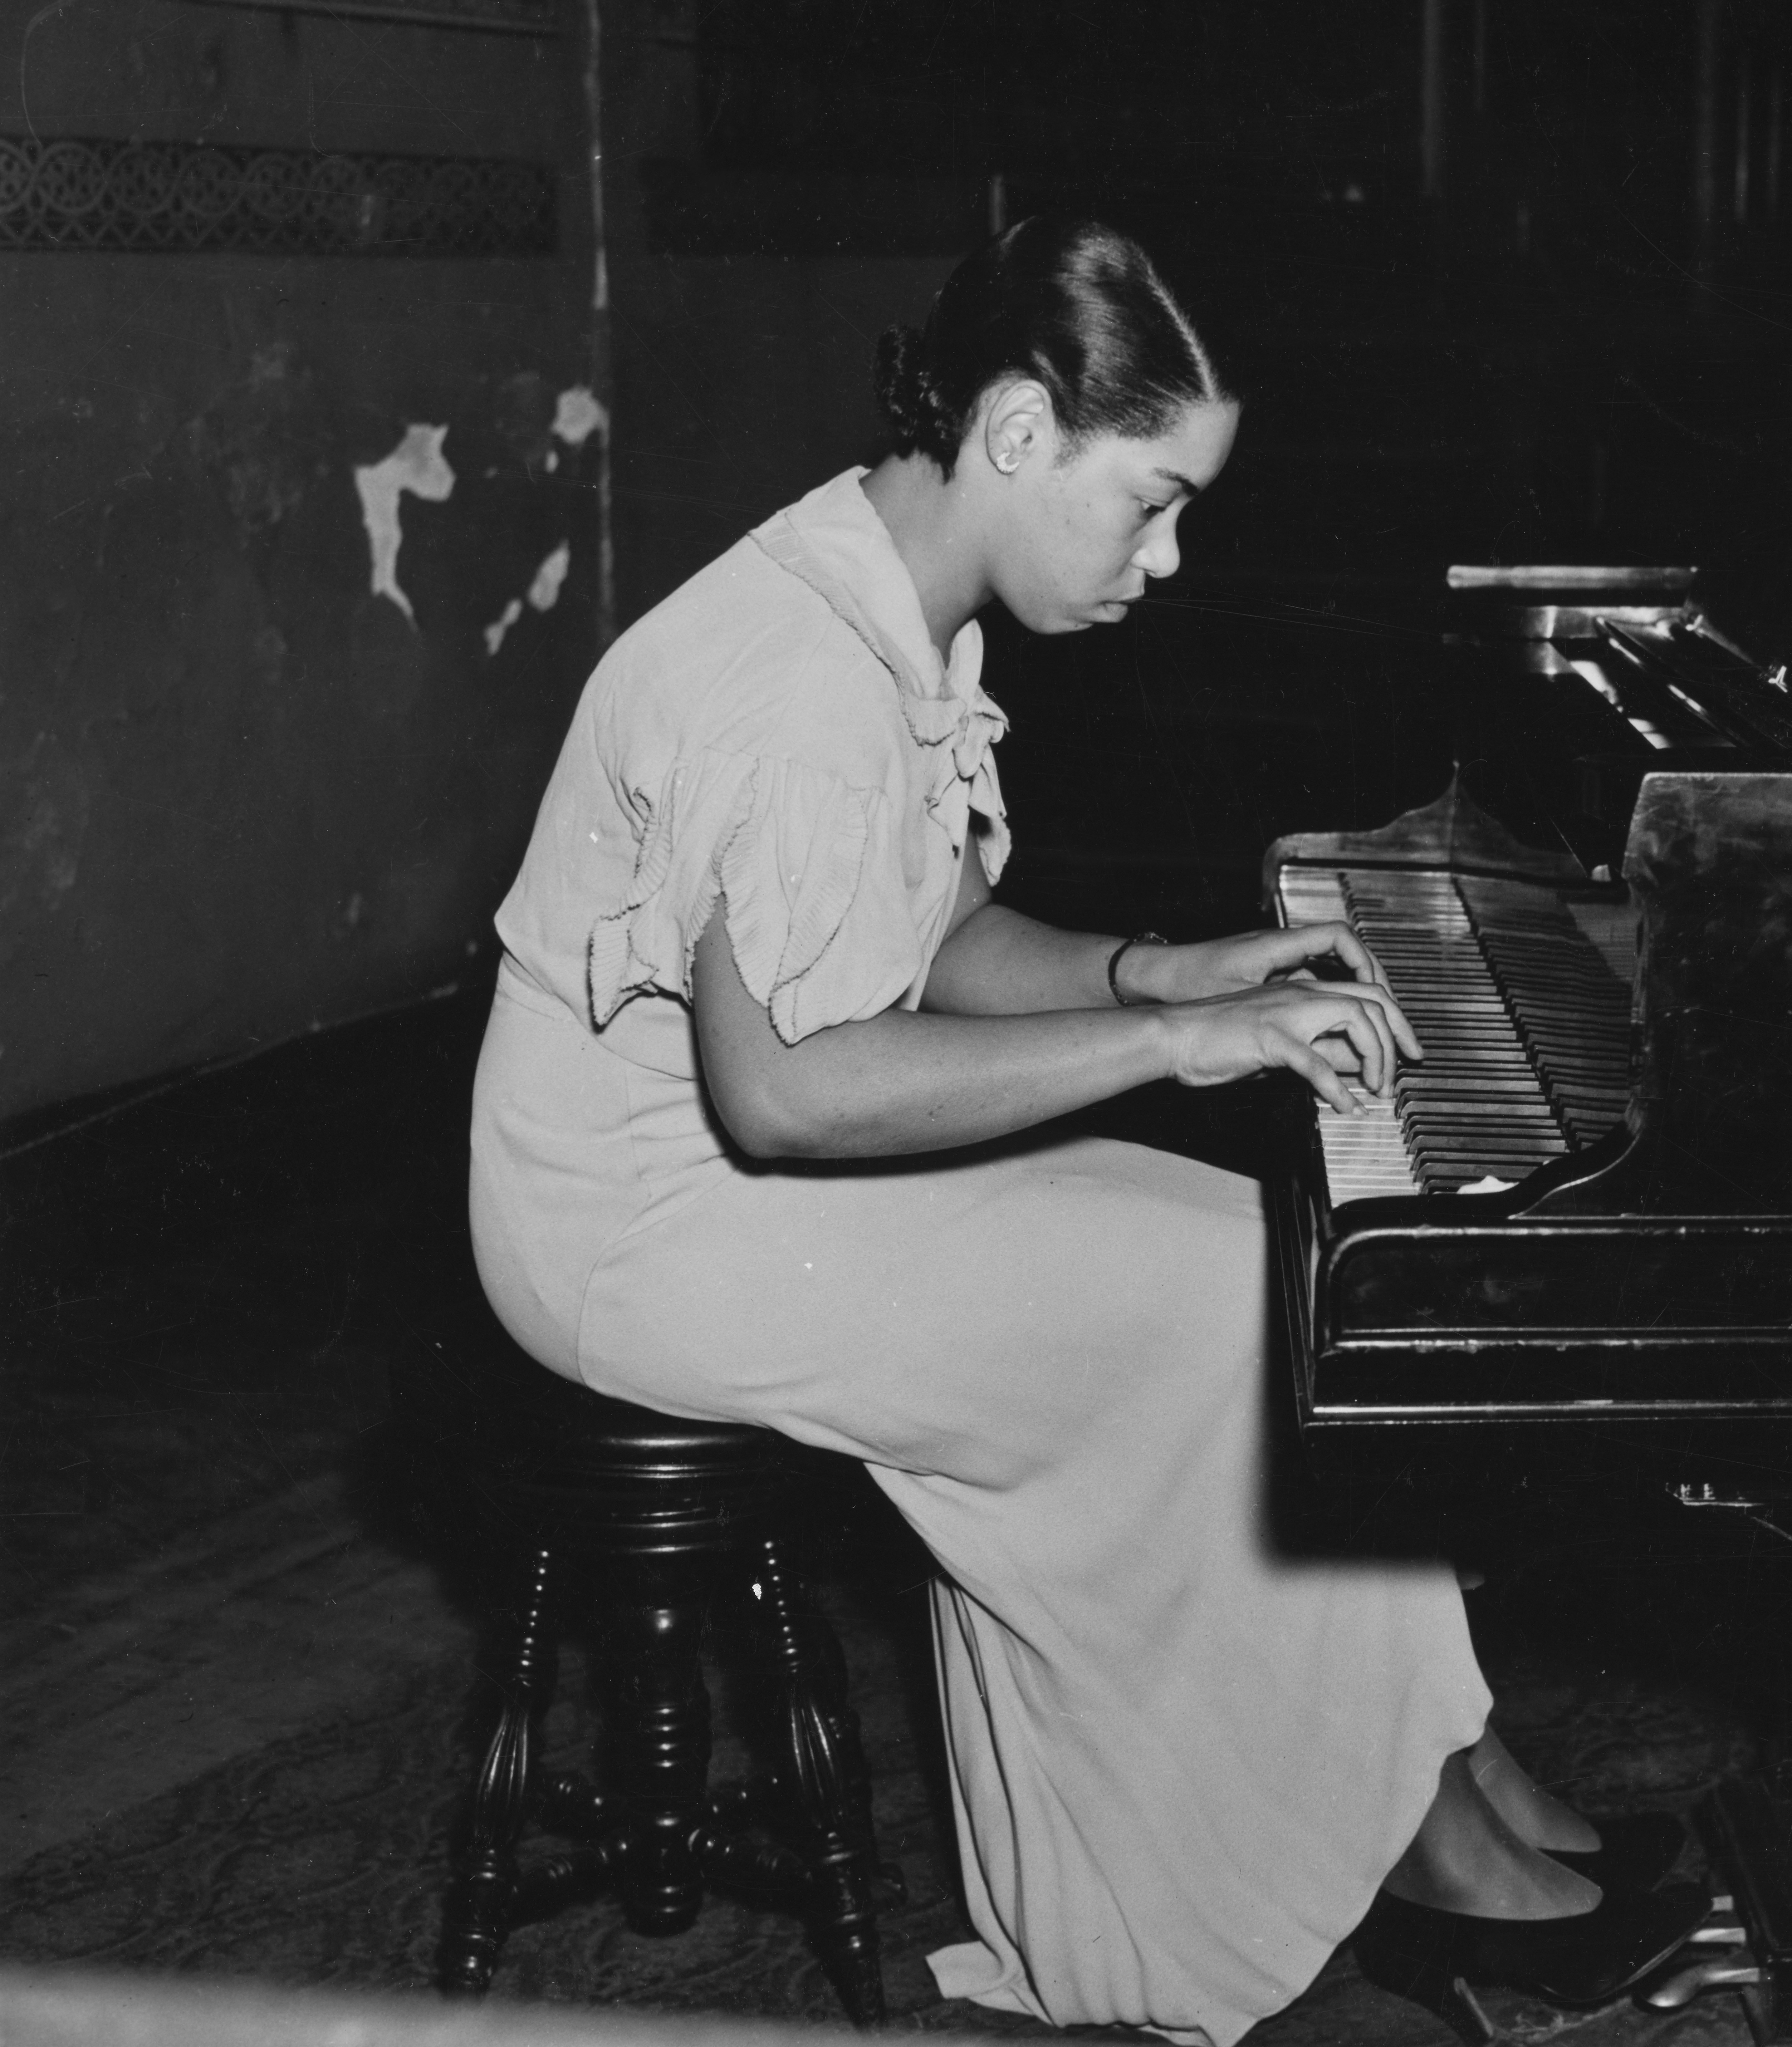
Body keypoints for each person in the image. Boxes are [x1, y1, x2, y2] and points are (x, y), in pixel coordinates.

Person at [467, 216, 1706, 2046]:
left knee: (1283, 1269)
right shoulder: (796, 679)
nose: (1169, 557)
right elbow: (786, 1088)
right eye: (1151, 501)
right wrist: (1176, 1041)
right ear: (1017, 431)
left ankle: (1458, 1775)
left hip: (735, 1177)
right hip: (639, 1228)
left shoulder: (890, 592)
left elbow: (930, 938)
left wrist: (1157, 966)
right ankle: (1427, 1856)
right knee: (1222, 1322)